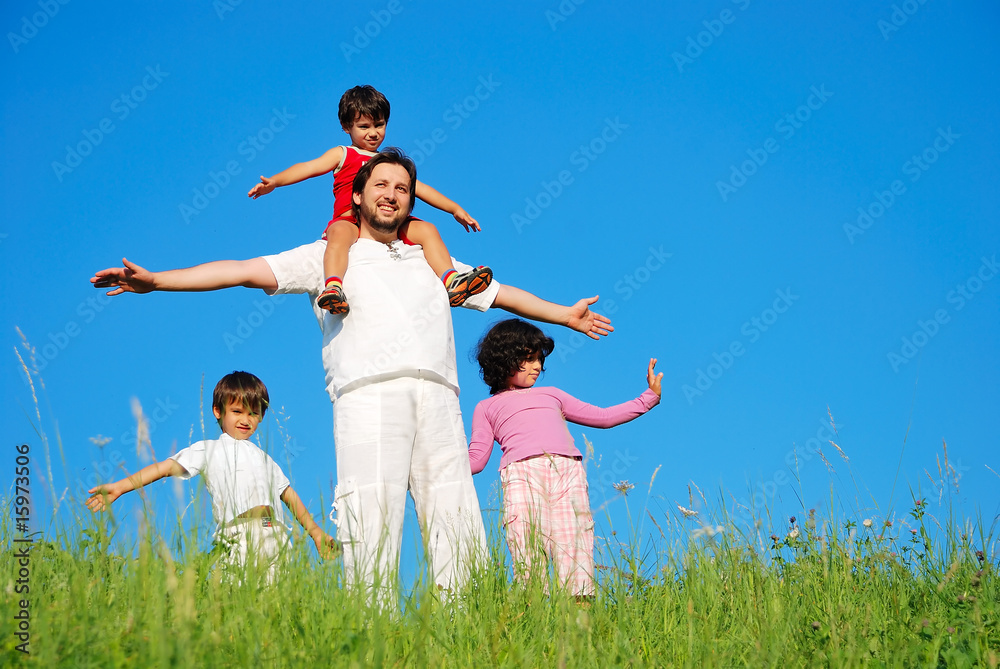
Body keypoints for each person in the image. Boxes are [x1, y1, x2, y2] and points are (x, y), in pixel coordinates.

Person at [91, 147, 614, 594]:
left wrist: (564, 314)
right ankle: (374, 631)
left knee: (457, 522)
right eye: (381, 184)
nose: (392, 194)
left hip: (438, 397)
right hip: (368, 397)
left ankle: (463, 630)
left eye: (403, 188)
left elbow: (503, 295)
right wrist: (159, 280)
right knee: (370, 520)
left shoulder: (433, 261)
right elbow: (242, 271)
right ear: (358, 195)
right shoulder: (327, 256)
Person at [247, 84, 490, 314]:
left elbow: (420, 188)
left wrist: (454, 209)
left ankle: (451, 280)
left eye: (379, 125)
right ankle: (333, 287)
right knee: (338, 236)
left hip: (388, 222)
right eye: (364, 126)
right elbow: (309, 167)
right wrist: (276, 181)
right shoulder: (344, 154)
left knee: (427, 230)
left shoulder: (388, 163)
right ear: (346, 126)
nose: (373, 133)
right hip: (350, 219)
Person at [469, 319, 662, 599]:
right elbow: (476, 458)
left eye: (539, 359)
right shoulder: (486, 407)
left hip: (567, 472)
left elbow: (603, 417)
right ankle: (533, 610)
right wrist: (434, 463)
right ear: (505, 358)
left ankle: (580, 616)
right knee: (525, 541)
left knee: (575, 542)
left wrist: (648, 398)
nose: (537, 366)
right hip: (522, 475)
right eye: (529, 359)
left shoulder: (553, 395)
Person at [86, 371, 338, 582]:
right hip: (239, 537)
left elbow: (289, 496)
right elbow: (164, 467)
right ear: (218, 411)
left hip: (277, 537)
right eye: (237, 411)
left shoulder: (266, 459)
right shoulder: (209, 449)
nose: (245, 420)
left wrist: (316, 534)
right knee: (239, 597)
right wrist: (121, 486)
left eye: (253, 413)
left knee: (278, 603)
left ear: (261, 416)